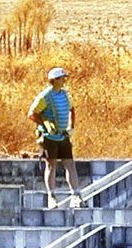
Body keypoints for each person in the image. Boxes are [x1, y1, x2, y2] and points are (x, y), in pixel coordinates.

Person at [28, 67, 83, 208]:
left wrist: (71, 126)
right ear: (55, 80)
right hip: (49, 137)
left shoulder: (65, 94)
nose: (64, 80)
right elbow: (32, 114)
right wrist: (45, 124)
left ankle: (75, 195)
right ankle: (51, 197)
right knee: (51, 165)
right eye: (62, 78)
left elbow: (72, 109)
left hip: (63, 135)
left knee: (70, 164)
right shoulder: (45, 96)